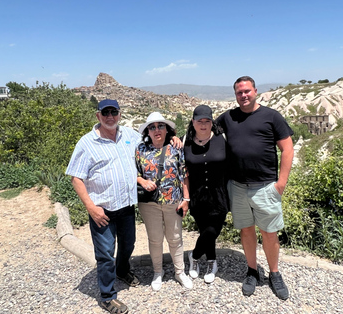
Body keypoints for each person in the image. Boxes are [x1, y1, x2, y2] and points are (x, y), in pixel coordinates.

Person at [216, 76, 294, 300]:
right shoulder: (228, 117)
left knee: (269, 233)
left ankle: (274, 273)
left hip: (266, 187)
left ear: (255, 91)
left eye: (247, 91)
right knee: (246, 230)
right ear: (235, 95)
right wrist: (177, 139)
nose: (244, 95)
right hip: (237, 187)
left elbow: (287, 149)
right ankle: (252, 271)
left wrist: (281, 183)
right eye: (239, 92)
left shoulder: (271, 116)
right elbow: (205, 129)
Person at [66, 99, 140, 314]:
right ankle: (107, 296)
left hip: (125, 206)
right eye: (105, 112)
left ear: (119, 114)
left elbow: (151, 140)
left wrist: (172, 137)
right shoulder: (87, 143)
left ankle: (122, 270)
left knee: (128, 245)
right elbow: (76, 178)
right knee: (106, 253)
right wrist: (90, 207)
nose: (110, 116)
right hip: (102, 210)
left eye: (114, 112)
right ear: (98, 116)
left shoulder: (129, 135)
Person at [135, 112, 193, 291]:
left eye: (160, 126)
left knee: (175, 238)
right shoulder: (141, 150)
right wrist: (142, 181)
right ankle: (158, 272)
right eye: (152, 127)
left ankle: (179, 272)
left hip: (173, 201)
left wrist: (186, 199)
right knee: (155, 239)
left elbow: (184, 175)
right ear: (148, 131)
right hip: (149, 203)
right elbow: (133, 173)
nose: (156, 130)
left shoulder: (176, 148)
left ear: (167, 129)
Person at [183, 105, 229, 283]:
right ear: (193, 122)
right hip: (197, 197)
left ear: (212, 122)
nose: (203, 125)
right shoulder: (184, 141)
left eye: (207, 121)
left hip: (219, 195)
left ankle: (194, 256)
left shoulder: (222, 138)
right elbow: (181, 171)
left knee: (212, 231)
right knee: (204, 230)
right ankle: (211, 261)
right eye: (199, 121)